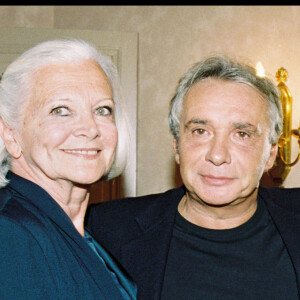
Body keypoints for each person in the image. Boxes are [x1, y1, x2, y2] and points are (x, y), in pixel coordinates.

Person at [86, 55, 300, 300]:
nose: (217, 155)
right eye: (200, 131)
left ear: (271, 154)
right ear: (177, 147)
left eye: (242, 134)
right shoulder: (104, 232)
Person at [0, 39, 137, 299]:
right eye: (60, 110)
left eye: (102, 110)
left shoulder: (76, 231)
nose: (90, 128)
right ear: (10, 133)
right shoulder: (10, 234)